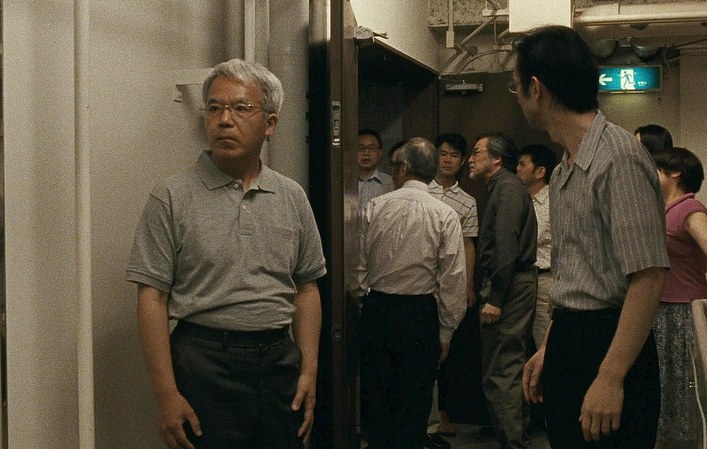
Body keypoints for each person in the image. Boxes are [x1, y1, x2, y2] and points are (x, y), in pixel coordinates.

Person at [126, 59, 326, 449]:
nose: (224, 120)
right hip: (203, 363)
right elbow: (152, 297)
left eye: (240, 108)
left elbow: (306, 288)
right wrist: (165, 393)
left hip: (278, 362)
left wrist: (309, 370)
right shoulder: (172, 196)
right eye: (214, 108)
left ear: (270, 123)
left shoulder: (291, 196)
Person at [514, 26, 670, 449]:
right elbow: (578, 275)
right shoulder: (564, 169)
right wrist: (550, 347)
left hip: (610, 343)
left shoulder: (617, 158)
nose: (517, 97)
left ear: (536, 88)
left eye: (517, 86)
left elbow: (649, 276)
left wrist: (611, 376)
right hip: (570, 336)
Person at [357, 137, 467, 449]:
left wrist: (363, 305)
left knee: (377, 398)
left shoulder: (374, 207)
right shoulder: (445, 214)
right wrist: (446, 331)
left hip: (378, 308)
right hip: (420, 314)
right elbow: (453, 280)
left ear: (403, 167)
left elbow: (358, 269)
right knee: (415, 401)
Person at [651, 147, 707, 449]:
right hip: (661, 308)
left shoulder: (690, 208)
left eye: (657, 169)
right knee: (664, 384)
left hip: (684, 310)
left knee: (684, 384)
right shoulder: (662, 209)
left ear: (675, 173)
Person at [469, 132, 537, 449]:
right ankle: (515, 440)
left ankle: (514, 443)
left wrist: (496, 297)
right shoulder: (504, 186)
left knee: (502, 369)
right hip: (512, 281)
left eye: (477, 152)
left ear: (496, 159)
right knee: (505, 366)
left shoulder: (507, 187)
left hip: (509, 284)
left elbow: (507, 244)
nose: (470, 159)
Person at [426, 133, 479, 447]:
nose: (447, 160)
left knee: (448, 349)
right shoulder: (422, 191)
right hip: (422, 279)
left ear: (461, 161)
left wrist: (468, 283)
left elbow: (468, 244)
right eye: (442, 153)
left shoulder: (467, 201)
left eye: (453, 155)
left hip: (451, 280)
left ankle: (442, 412)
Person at [516, 144, 558, 349]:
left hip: (545, 278)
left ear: (540, 171)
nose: (517, 169)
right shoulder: (520, 198)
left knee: (545, 345)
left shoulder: (554, 200)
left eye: (523, 164)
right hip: (522, 279)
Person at [358, 128, 394, 211]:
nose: (366, 153)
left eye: (371, 148)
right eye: (361, 148)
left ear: (380, 153)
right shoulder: (345, 182)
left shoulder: (390, 183)